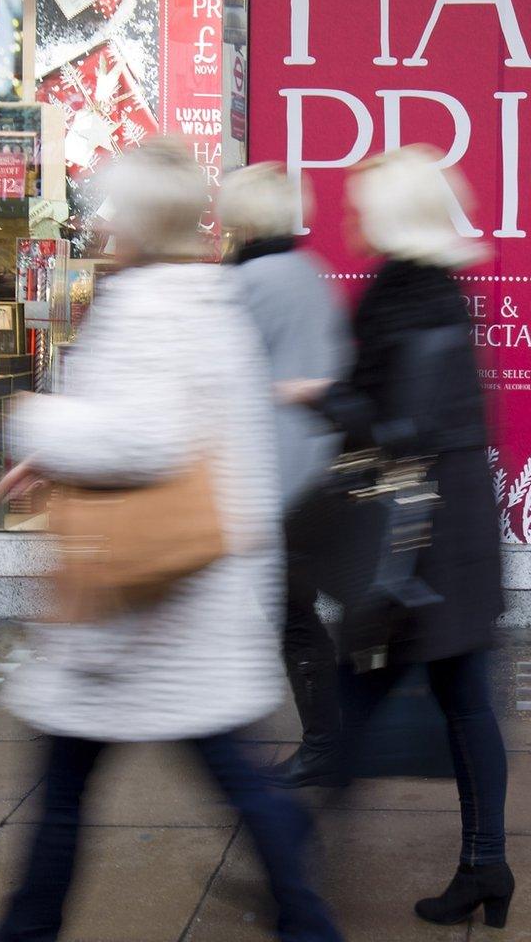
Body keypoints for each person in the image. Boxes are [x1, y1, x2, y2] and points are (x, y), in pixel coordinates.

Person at [0, 142, 342, 942]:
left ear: (140, 218)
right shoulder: (209, 300)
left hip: (136, 599)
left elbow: (143, 437)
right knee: (223, 780)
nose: (107, 221)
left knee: (69, 797)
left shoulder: (147, 304)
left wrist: (33, 421)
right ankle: (306, 915)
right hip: (186, 593)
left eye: (116, 207)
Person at [289, 148, 512, 927]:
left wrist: (320, 395)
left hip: (414, 542)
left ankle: (290, 859)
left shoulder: (402, 295)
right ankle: (487, 865)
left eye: (361, 203)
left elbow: (398, 427)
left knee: (361, 691)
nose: (349, 215)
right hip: (451, 533)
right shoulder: (440, 289)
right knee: (461, 700)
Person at [217, 164, 354, 789]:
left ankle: (327, 742)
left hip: (267, 475)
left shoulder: (245, 283)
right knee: (297, 612)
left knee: (292, 616)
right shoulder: (312, 273)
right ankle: (331, 737)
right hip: (315, 469)